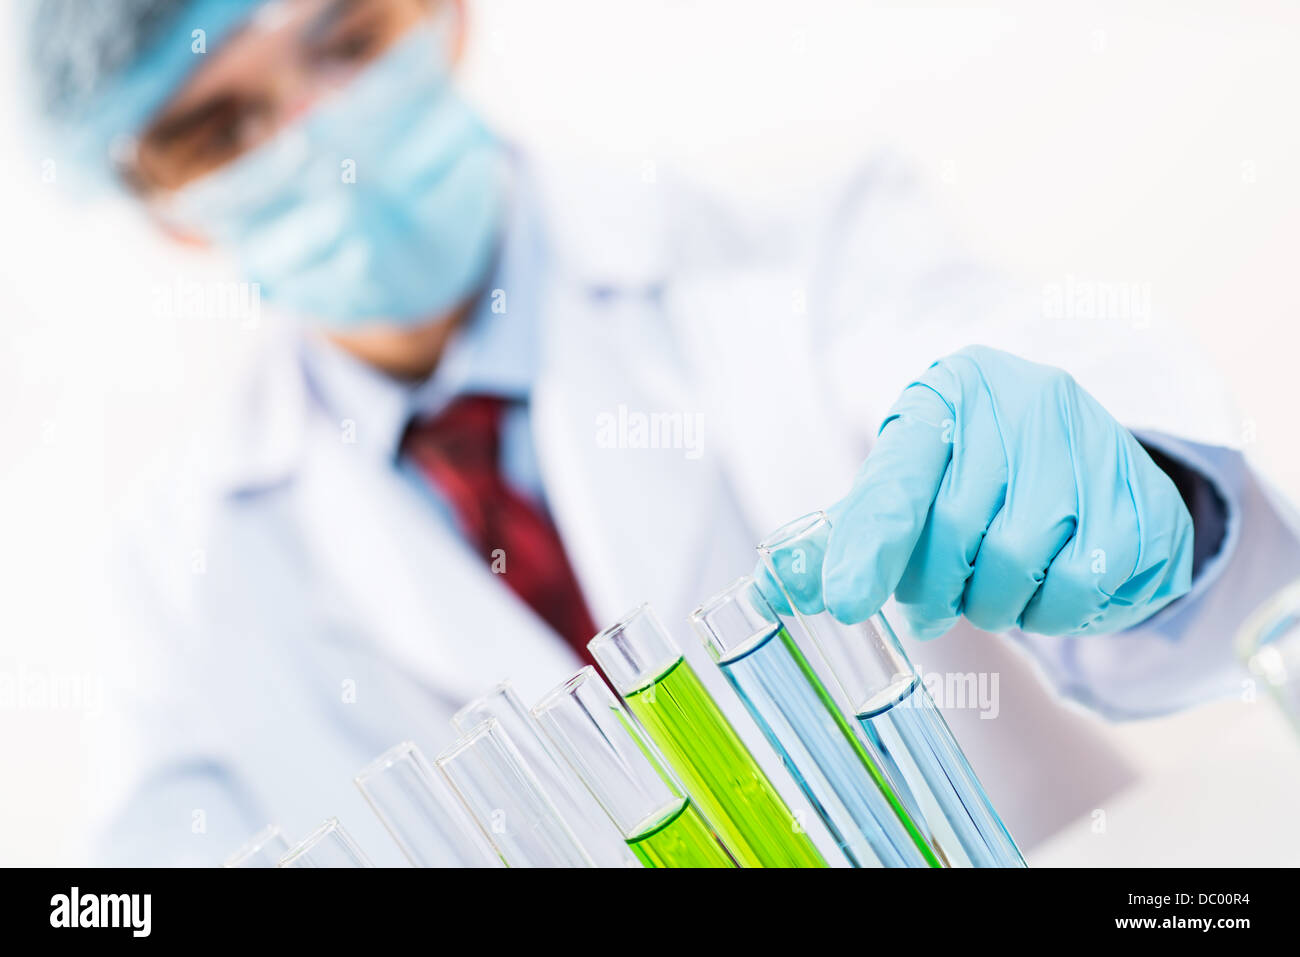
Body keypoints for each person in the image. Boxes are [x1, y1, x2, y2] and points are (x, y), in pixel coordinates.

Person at [26, 0, 1300, 866]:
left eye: (348, 39)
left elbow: (1043, 385)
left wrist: (1156, 504)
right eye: (218, 128)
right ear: (168, 207)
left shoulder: (791, 236)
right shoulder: (178, 572)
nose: (315, 138)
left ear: (445, 16)